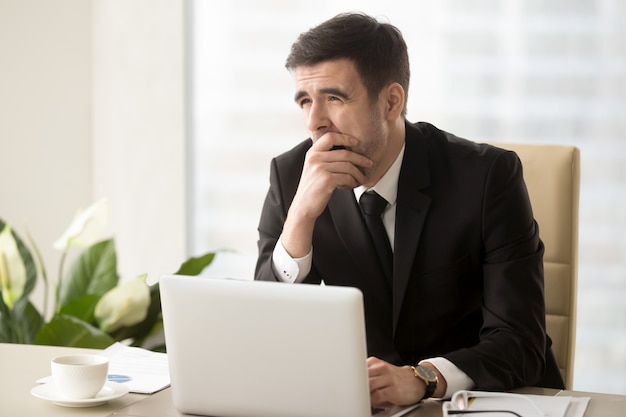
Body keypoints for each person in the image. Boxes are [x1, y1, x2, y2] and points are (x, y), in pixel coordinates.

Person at [254, 12, 564, 408]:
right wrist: (298, 221)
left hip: (484, 401)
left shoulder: (487, 178)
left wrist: (423, 378)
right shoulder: (291, 176)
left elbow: (520, 341)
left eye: (334, 98)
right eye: (304, 101)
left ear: (391, 101)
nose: (315, 122)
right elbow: (263, 331)